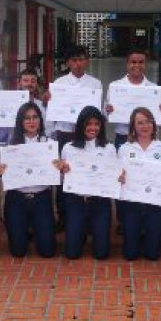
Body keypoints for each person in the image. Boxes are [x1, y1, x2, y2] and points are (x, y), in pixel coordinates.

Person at [44, 45, 103, 230]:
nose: (78, 64)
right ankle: (63, 215)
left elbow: (99, 112)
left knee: (86, 172)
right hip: (65, 134)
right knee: (63, 174)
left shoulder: (95, 84)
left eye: (81, 59)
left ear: (87, 61)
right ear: (68, 62)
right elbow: (52, 113)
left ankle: (87, 216)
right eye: (74, 60)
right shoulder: (59, 84)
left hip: (87, 136)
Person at [0, 102, 58, 258]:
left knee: (47, 251)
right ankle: (24, 232)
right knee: (18, 251)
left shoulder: (49, 144)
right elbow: (2, 174)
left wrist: (60, 167)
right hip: (16, 198)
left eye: (35, 117)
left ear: (40, 120)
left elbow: (58, 175)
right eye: (27, 118)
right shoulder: (11, 145)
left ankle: (37, 230)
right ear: (20, 122)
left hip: (41, 198)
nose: (31, 122)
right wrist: (1, 170)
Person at [57, 106, 116, 260]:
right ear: (81, 125)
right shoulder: (68, 148)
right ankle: (78, 234)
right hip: (76, 200)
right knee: (72, 253)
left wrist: (118, 177)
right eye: (88, 124)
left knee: (102, 254)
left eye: (97, 124)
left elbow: (112, 176)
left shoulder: (109, 148)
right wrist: (62, 170)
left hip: (100, 201)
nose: (93, 128)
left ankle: (94, 233)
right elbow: (64, 180)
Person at [117, 107, 161, 261]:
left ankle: (148, 238)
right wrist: (120, 178)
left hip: (155, 204)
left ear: (154, 125)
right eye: (140, 123)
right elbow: (118, 177)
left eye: (148, 122)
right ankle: (134, 236)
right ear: (133, 126)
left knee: (153, 255)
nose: (145, 126)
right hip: (132, 204)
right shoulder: (124, 148)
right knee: (130, 255)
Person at [105, 49, 159, 148]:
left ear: (145, 64)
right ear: (127, 64)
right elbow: (105, 113)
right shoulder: (115, 87)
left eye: (141, 62)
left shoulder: (153, 88)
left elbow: (157, 118)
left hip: (146, 138)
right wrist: (108, 110)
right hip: (123, 136)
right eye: (133, 62)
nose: (137, 65)